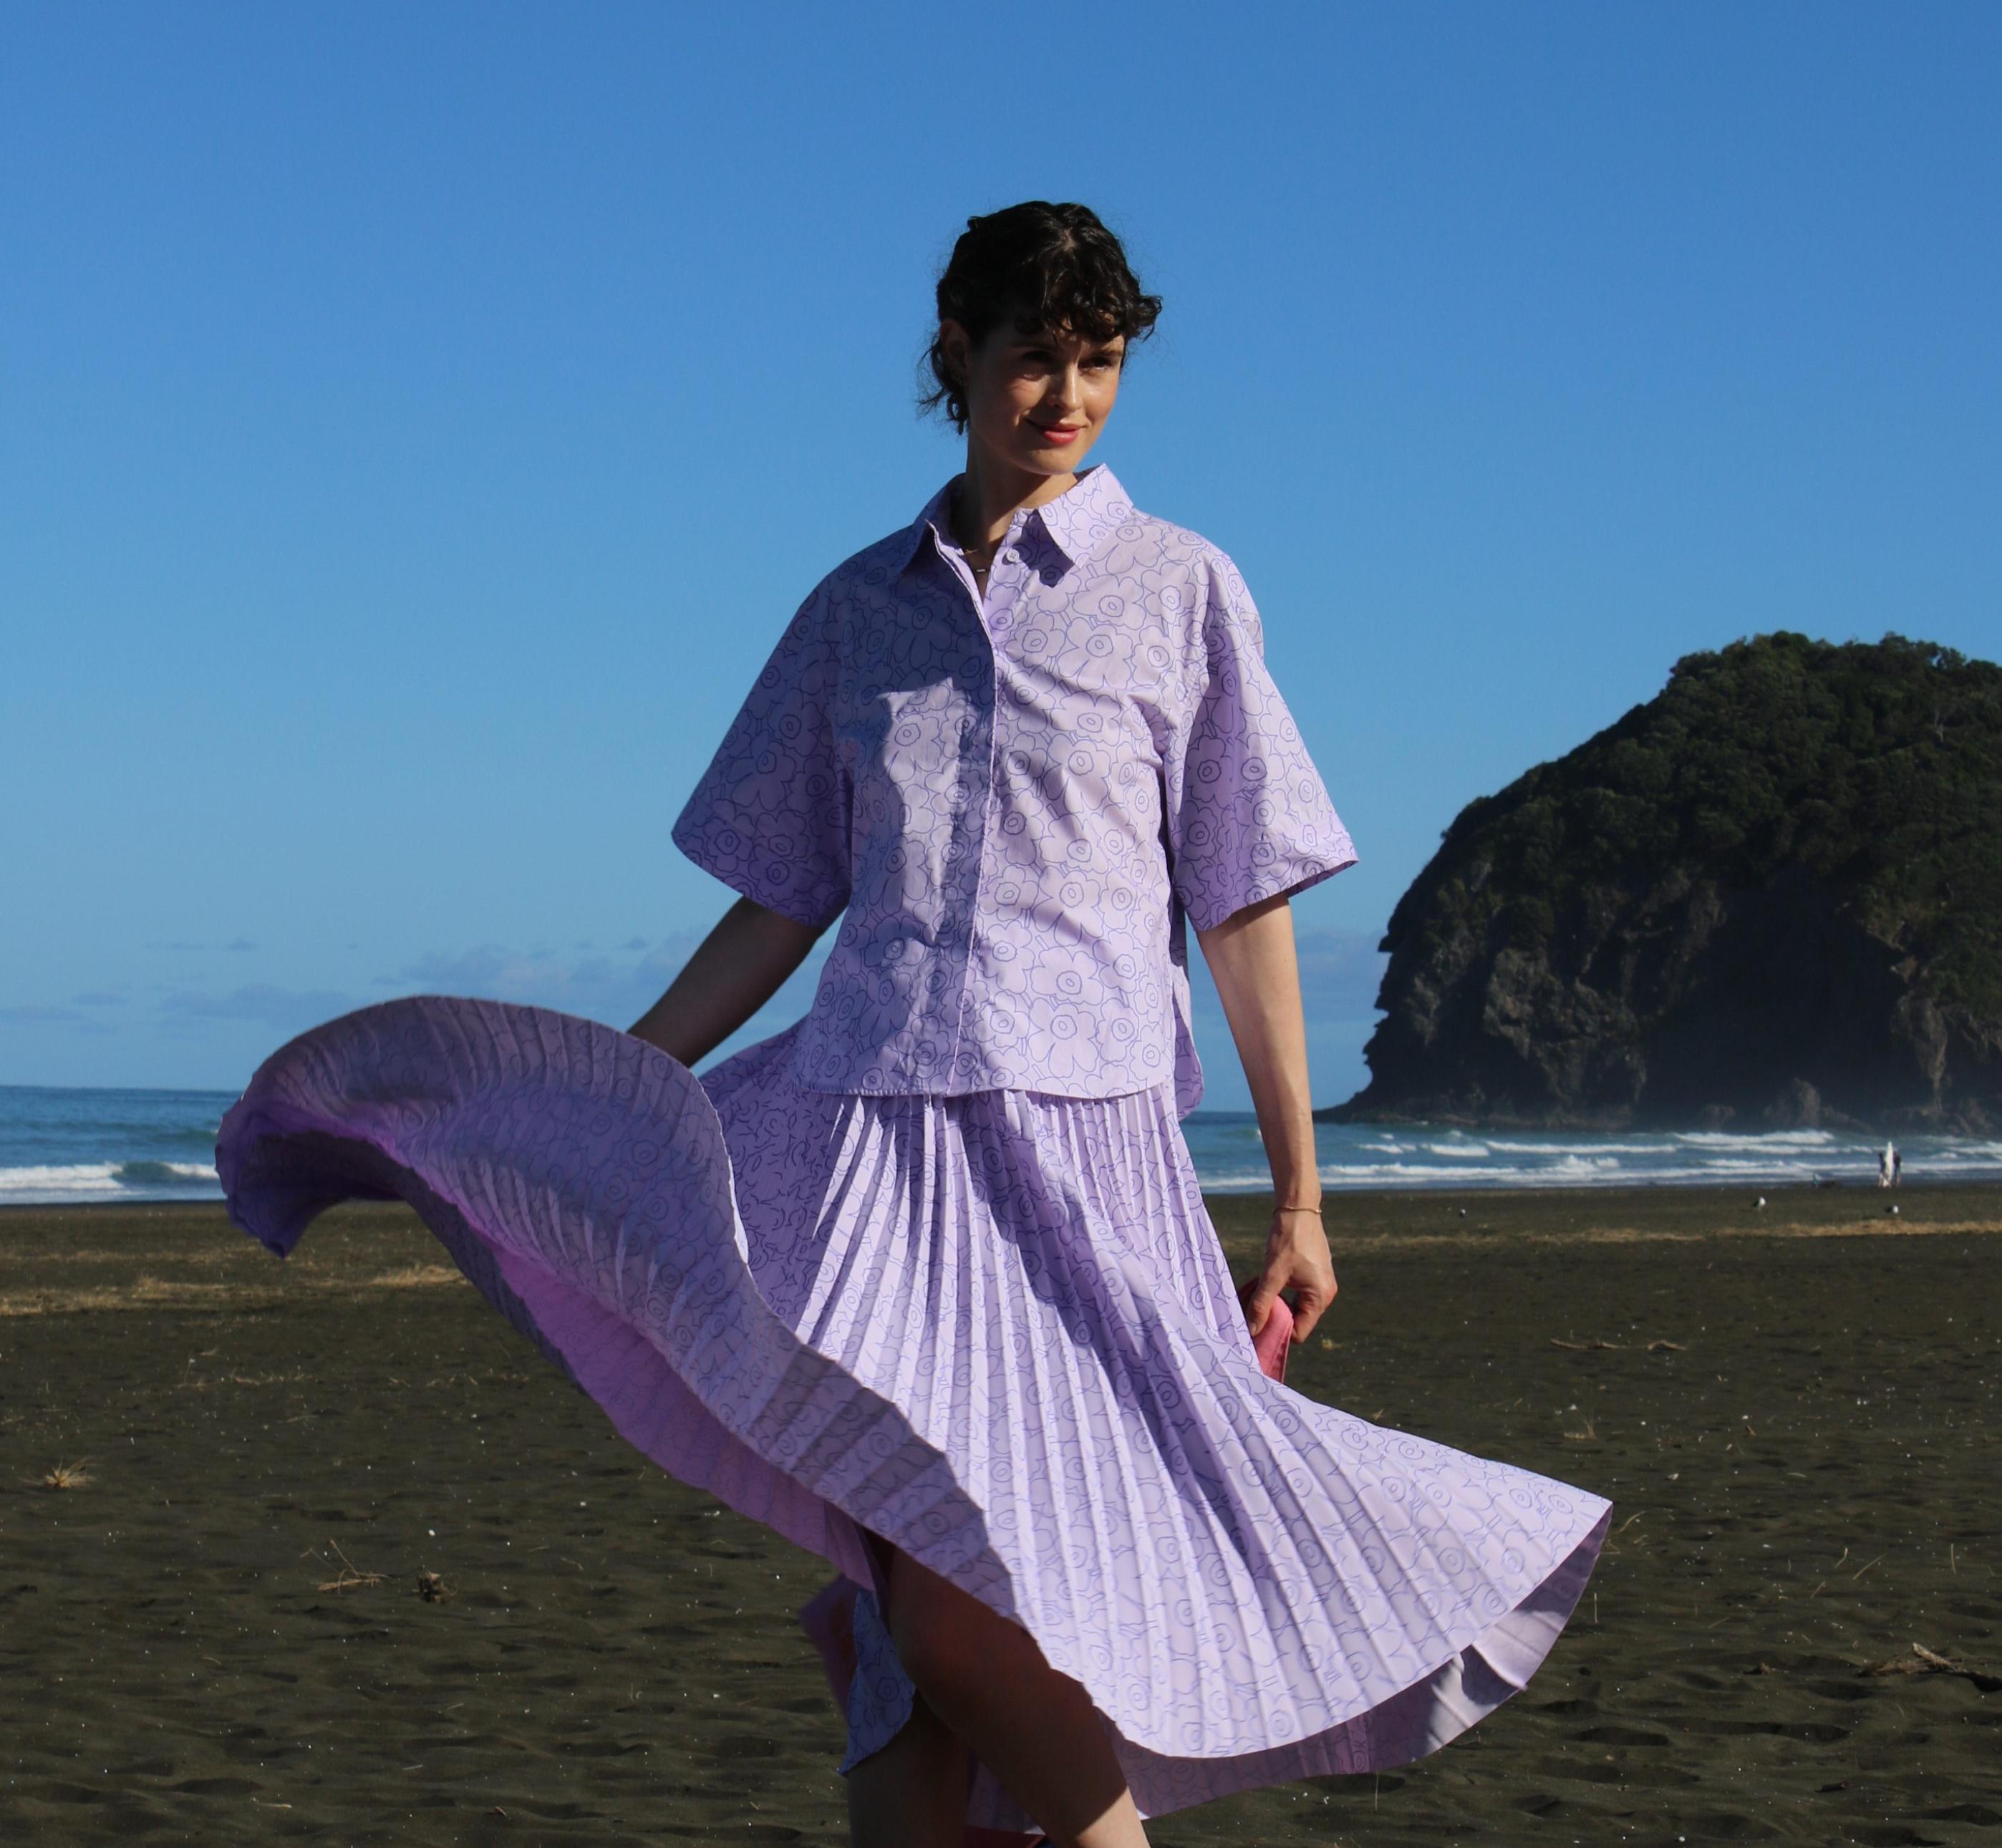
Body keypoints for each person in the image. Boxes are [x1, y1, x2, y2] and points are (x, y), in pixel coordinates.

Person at [218, 201, 1608, 1848]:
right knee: (913, 1641)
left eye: (1100, 361)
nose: (1068, 396)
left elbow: (1241, 906)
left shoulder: (1180, 589)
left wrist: (1301, 1197)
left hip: (1079, 1165)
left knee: (965, 1626)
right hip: (868, 1162)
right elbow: (783, 899)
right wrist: (619, 1084)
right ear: (956, 350)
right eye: (1035, 357)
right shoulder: (854, 610)